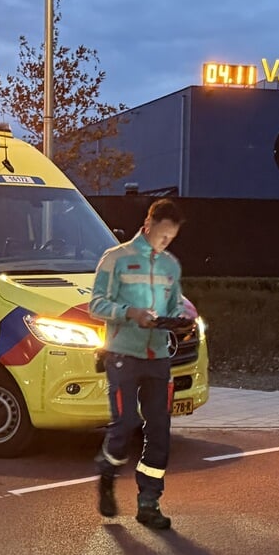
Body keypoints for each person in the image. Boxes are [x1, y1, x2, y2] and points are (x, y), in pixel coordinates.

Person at [92, 198, 186, 531]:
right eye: (161, 236)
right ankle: (107, 473)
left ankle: (149, 502)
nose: (164, 244)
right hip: (122, 355)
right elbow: (96, 304)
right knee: (125, 424)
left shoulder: (170, 266)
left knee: (159, 430)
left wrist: (180, 321)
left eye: (170, 239)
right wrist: (130, 314)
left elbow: (176, 305)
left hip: (157, 357)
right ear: (147, 225)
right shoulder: (115, 259)